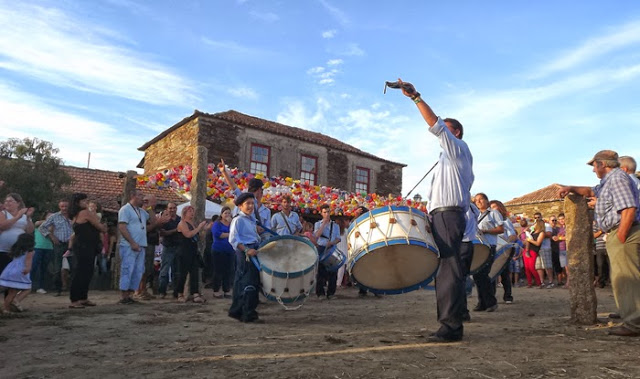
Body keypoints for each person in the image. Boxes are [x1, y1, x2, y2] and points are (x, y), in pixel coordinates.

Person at [395, 78, 474, 342]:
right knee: (448, 269)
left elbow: (435, 125)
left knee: (449, 270)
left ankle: (451, 327)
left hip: (449, 215)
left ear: (457, 133)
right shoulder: (446, 160)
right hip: (442, 215)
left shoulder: (457, 149)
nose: (441, 134)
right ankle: (454, 319)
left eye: (447, 130)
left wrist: (415, 97)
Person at [558, 150, 640, 337]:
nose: (593, 170)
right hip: (621, 232)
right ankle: (632, 319)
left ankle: (634, 324)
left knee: (626, 280)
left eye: (594, 165)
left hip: (624, 233)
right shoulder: (609, 181)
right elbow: (590, 191)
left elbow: (628, 208)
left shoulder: (617, 179)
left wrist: (620, 236)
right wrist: (571, 187)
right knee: (625, 278)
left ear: (602, 164)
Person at [117, 189, 165, 305]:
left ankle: (131, 294)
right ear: (132, 196)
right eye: (140, 196)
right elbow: (122, 227)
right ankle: (124, 295)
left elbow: (154, 221)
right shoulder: (125, 209)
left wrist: (148, 207)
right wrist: (132, 242)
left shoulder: (141, 211)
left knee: (138, 270)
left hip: (141, 245)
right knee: (128, 269)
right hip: (129, 245)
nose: (142, 198)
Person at [67, 193, 107, 309]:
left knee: (86, 271)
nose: (86, 203)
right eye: (84, 201)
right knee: (81, 272)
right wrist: (103, 227)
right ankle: (75, 299)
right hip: (84, 246)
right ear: (78, 202)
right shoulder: (85, 213)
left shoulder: (74, 214)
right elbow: (99, 226)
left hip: (85, 245)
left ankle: (83, 297)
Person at [228, 192, 263, 323]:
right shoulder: (238, 220)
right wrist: (247, 250)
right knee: (247, 282)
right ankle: (246, 313)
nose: (250, 206)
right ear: (240, 206)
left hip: (253, 250)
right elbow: (233, 240)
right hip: (245, 253)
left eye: (252, 203)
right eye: (247, 204)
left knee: (249, 281)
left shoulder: (250, 219)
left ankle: (241, 311)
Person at [219, 160, 271, 240]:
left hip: (255, 239)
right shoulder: (243, 197)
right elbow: (233, 187)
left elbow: (267, 227)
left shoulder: (260, 207)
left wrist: (261, 229)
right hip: (242, 238)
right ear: (259, 189)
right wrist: (224, 172)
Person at [473, 193, 503, 310]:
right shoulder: (475, 215)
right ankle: (482, 302)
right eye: (476, 200)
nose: (478, 202)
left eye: (481, 199)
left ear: (486, 201)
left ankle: (491, 302)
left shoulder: (493, 213)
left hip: (489, 245)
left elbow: (501, 229)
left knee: (483, 274)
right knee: (477, 275)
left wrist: (486, 231)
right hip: (478, 246)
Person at [175, 205, 211, 303]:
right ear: (185, 213)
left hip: (193, 251)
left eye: (192, 211)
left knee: (194, 273)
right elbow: (188, 234)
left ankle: (195, 294)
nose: (192, 213)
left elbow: (196, 236)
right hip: (184, 251)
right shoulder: (182, 223)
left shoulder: (192, 223)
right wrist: (199, 227)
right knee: (183, 273)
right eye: (190, 211)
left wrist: (204, 229)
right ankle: (180, 294)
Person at [38, 199, 72, 296]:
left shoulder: (73, 215)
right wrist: (51, 237)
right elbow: (42, 227)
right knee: (57, 268)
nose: (64, 208)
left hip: (71, 244)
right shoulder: (54, 216)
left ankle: (73, 290)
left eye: (66, 206)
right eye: (62, 206)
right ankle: (58, 289)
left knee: (74, 266)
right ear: (59, 207)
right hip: (59, 244)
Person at [0, 193, 35, 276]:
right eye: (6, 201)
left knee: (15, 274)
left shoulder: (24, 216)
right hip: (3, 250)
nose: (7, 203)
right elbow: (3, 226)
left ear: (18, 203)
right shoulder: (3, 213)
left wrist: (28, 218)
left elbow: (30, 230)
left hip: (20, 250)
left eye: (10, 201)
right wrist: (17, 217)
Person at [489, 199, 516, 304]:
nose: (492, 209)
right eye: (491, 207)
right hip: (492, 249)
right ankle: (491, 297)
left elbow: (512, 235)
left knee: (504, 273)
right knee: (491, 273)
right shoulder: (489, 222)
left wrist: (506, 244)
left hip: (503, 249)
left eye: (494, 207)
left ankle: (508, 296)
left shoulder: (505, 221)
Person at [0, 233, 35, 313]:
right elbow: (28, 261)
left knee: (11, 292)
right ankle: (16, 300)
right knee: (28, 288)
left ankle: (6, 308)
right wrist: (28, 269)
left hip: (10, 270)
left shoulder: (16, 249)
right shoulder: (30, 251)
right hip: (21, 270)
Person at [314, 204, 341, 300]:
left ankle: (331, 293)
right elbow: (317, 235)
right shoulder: (317, 224)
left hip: (332, 247)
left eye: (328, 212)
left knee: (333, 270)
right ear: (321, 213)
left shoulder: (335, 225)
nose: (327, 214)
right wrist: (323, 224)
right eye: (325, 212)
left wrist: (332, 243)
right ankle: (320, 293)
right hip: (321, 247)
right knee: (321, 271)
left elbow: (338, 238)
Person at [158, 202, 181, 299]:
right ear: (167, 209)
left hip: (178, 247)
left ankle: (176, 292)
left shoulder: (180, 219)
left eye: (174, 208)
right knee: (164, 271)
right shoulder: (164, 220)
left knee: (177, 271)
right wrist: (175, 230)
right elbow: (162, 233)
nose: (172, 210)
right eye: (170, 208)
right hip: (168, 247)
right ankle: (162, 291)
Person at [211, 206, 234, 299]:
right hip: (218, 250)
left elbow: (237, 232)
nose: (227, 215)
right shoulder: (217, 224)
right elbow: (218, 234)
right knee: (218, 270)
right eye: (226, 213)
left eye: (229, 213)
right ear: (221, 214)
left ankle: (226, 289)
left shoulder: (232, 224)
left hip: (230, 250)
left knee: (228, 271)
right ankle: (216, 290)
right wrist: (230, 234)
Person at [31, 211, 54, 294]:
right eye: (49, 216)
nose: (51, 217)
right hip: (37, 247)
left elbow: (53, 233)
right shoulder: (40, 223)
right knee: (33, 266)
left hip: (48, 248)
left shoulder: (54, 226)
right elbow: (36, 223)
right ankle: (27, 285)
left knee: (44, 268)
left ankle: (40, 287)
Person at [526, 220, 547, 288]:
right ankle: (529, 283)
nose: (533, 225)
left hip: (534, 250)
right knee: (527, 268)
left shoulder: (542, 233)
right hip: (528, 250)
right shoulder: (532, 232)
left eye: (534, 223)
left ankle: (539, 282)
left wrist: (530, 240)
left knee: (532, 267)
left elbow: (538, 243)